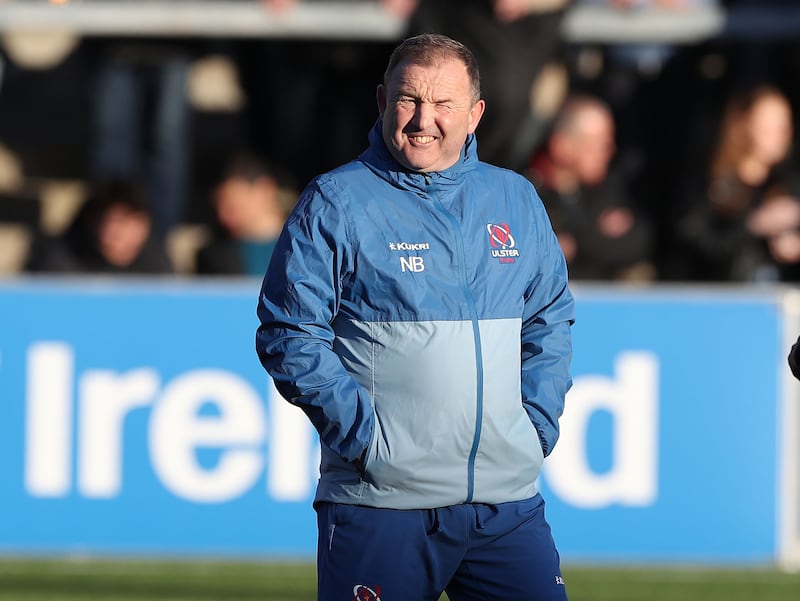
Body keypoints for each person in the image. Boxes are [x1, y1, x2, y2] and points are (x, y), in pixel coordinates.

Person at [255, 33, 574, 601]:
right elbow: (289, 333)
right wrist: (367, 443)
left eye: (444, 104)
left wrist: (535, 424)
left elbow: (548, 317)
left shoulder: (516, 199)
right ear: (382, 101)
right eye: (409, 99)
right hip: (384, 507)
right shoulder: (335, 201)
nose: (424, 119)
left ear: (474, 114)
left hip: (506, 506)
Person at [674, 84, 800, 282]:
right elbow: (693, 242)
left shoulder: (789, 182)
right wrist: (753, 225)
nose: (782, 135)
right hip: (720, 297)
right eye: (770, 127)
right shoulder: (710, 182)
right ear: (743, 126)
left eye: (785, 126)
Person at [527, 94, 655, 281]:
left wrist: (576, 243)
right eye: (599, 145)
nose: (611, 151)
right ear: (562, 146)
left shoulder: (608, 188)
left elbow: (638, 240)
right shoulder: (527, 192)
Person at [24, 178, 174, 275]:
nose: (124, 237)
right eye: (117, 224)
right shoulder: (59, 263)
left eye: (136, 225)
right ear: (92, 220)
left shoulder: (156, 264)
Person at [195, 152, 289, 276]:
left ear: (265, 189)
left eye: (234, 206)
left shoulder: (304, 245)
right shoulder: (214, 257)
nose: (223, 216)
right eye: (218, 206)